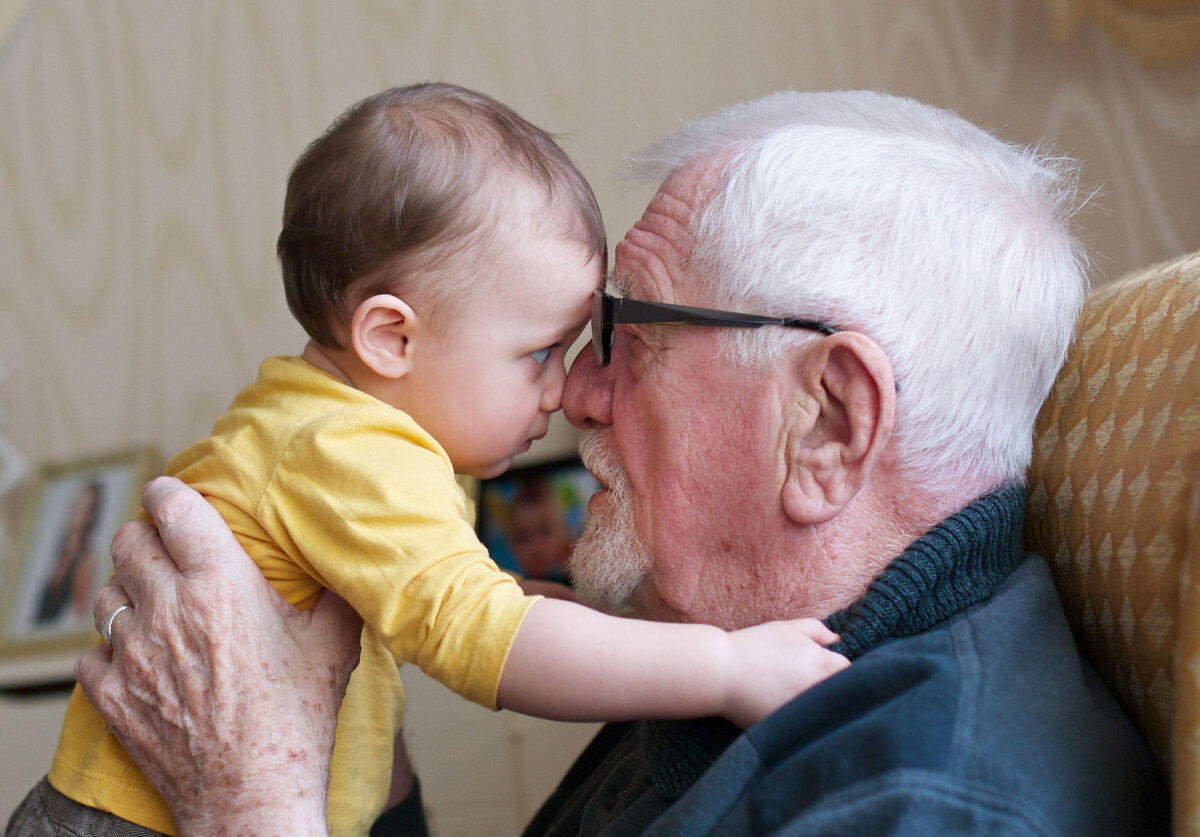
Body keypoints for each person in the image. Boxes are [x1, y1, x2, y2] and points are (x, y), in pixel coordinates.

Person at [70, 89, 1167, 834]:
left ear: (830, 422)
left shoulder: (927, 802)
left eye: (626, 337)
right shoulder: (728, 655)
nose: (575, 397)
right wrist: (341, 748)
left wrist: (248, 798)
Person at [9, 84, 848, 837]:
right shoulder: (351, 450)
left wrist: (605, 622)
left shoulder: (324, 426)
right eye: (538, 353)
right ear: (391, 336)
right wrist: (726, 667)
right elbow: (488, 641)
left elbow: (471, 597)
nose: (559, 390)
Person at [34, 481, 103, 625]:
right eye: (78, 506)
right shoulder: (52, 551)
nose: (79, 516)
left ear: (92, 516)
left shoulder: (86, 560)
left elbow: (77, 618)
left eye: (87, 509)